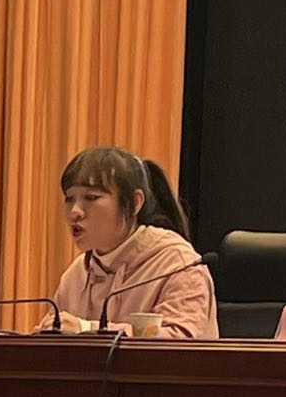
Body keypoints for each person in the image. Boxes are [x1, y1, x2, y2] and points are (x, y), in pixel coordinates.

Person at [41, 145, 217, 338]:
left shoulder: (178, 264)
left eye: (91, 197)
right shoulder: (75, 275)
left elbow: (180, 339)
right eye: (69, 199)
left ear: (135, 203)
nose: (75, 212)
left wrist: (86, 328)